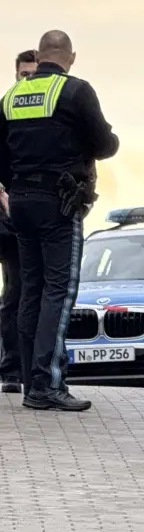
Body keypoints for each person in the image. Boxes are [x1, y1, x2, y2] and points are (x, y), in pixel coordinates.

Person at [0, 32, 118, 411]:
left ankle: (29, 377)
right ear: (71, 57)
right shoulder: (75, 91)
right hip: (59, 202)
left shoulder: (12, 96)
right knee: (59, 289)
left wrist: (15, 184)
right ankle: (47, 381)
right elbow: (104, 144)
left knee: (30, 289)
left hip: (19, 202)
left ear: (38, 55)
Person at [0, 50, 35, 394]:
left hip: (39, 213)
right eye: (23, 74)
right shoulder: (7, 106)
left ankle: (34, 368)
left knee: (36, 293)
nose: (28, 80)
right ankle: (12, 370)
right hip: (9, 219)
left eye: (33, 73)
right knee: (14, 293)